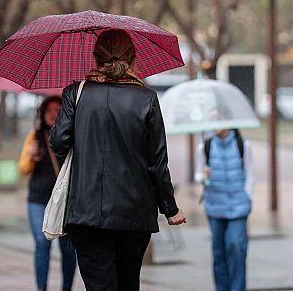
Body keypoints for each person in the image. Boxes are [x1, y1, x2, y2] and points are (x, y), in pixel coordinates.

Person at [50, 29, 186, 291]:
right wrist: (170, 208)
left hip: (85, 212)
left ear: (95, 57)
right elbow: (157, 163)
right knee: (127, 284)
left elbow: (58, 143)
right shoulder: (146, 99)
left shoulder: (75, 93)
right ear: (133, 57)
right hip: (133, 213)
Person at [18, 95, 77, 291]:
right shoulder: (34, 136)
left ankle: (66, 288)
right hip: (39, 200)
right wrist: (31, 157)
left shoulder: (72, 135)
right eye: (49, 110)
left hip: (66, 201)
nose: (53, 114)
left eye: (58, 110)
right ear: (42, 114)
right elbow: (23, 169)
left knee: (68, 248)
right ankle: (41, 287)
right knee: (42, 243)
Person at [195, 128, 254, 291]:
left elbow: (250, 174)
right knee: (218, 251)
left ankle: (237, 288)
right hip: (215, 207)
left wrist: (247, 197)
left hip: (239, 206)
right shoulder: (205, 146)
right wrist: (204, 175)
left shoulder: (243, 144)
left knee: (236, 246)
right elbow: (198, 177)